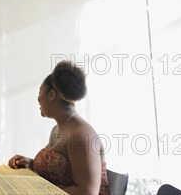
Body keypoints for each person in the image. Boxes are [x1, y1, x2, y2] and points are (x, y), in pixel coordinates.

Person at [8, 61, 110, 195]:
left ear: (51, 95)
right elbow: (56, 169)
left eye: (40, 91)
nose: (38, 99)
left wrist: (40, 191)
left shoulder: (81, 137)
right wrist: (30, 163)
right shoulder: (57, 130)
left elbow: (88, 192)